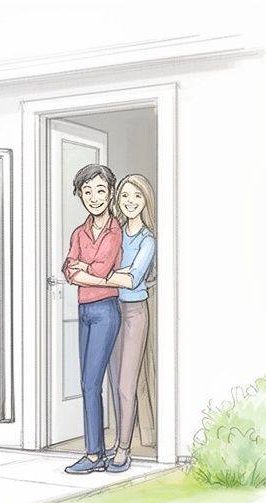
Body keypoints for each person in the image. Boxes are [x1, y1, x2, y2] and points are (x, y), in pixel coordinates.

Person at [62, 164, 123, 474]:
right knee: (87, 384)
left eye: (100, 190)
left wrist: (87, 274)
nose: (94, 197)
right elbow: (68, 269)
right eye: (87, 191)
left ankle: (95, 453)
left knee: (92, 382)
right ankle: (96, 452)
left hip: (106, 311)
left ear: (110, 193)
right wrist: (90, 273)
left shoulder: (115, 230)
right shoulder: (79, 231)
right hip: (84, 310)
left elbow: (96, 270)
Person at [102, 174, 156, 473]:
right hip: (111, 309)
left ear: (145, 200)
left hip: (135, 312)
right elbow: (109, 266)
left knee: (126, 385)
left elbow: (133, 277)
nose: (130, 201)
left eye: (136, 196)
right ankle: (118, 441)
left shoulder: (148, 239)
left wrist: (97, 274)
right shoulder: (116, 232)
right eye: (124, 196)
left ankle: (124, 449)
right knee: (113, 381)